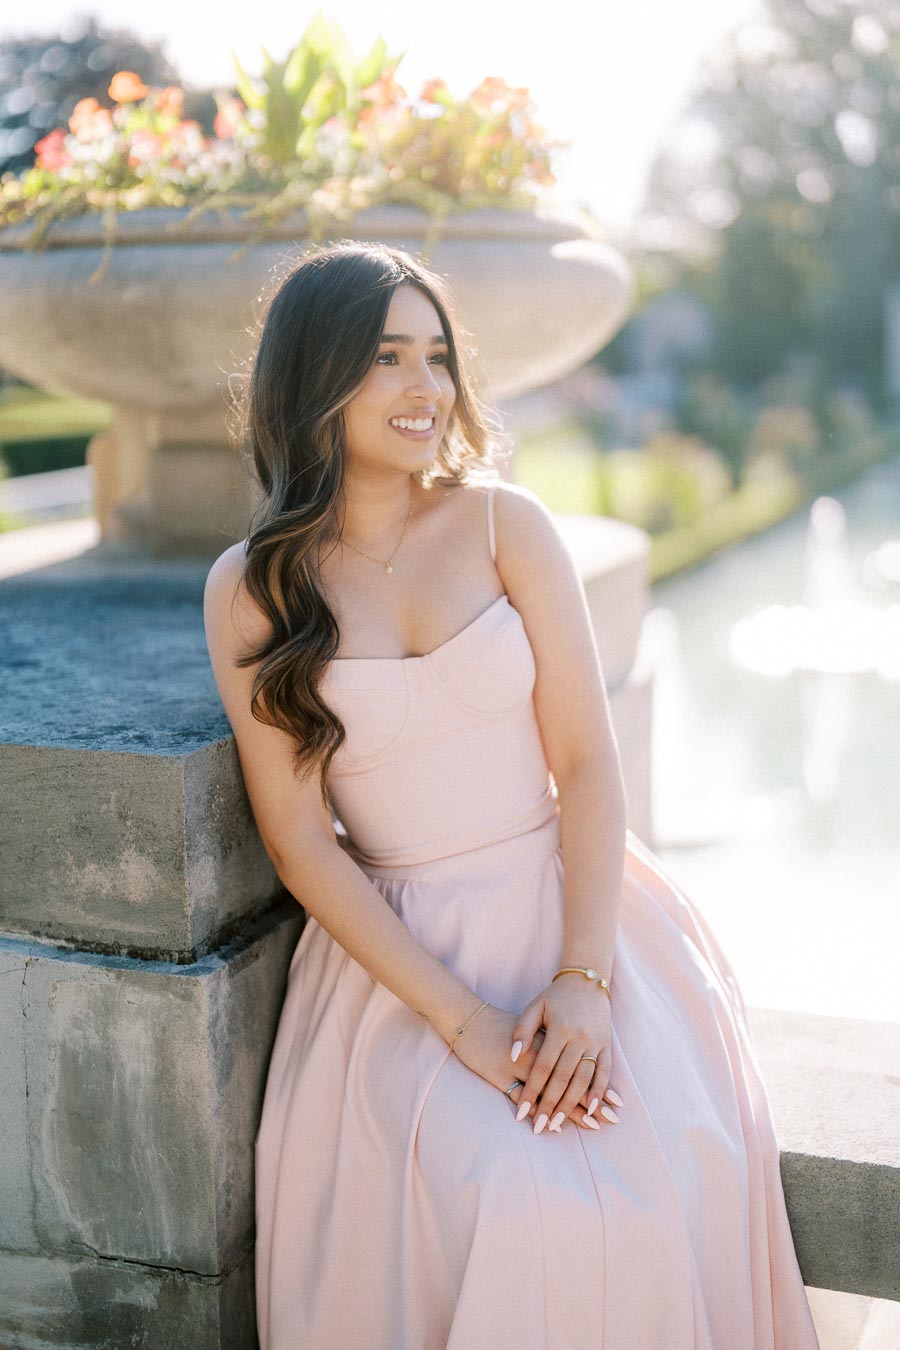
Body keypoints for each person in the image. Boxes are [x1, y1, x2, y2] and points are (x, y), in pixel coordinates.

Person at [203, 241, 821, 1349]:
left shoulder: (506, 526)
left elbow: (586, 763)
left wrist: (582, 982)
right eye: (388, 357)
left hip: (572, 909)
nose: (425, 387)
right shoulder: (255, 587)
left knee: (652, 1174)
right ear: (314, 377)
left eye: (436, 356)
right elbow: (301, 844)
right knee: (508, 1190)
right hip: (400, 964)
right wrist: (467, 1024)